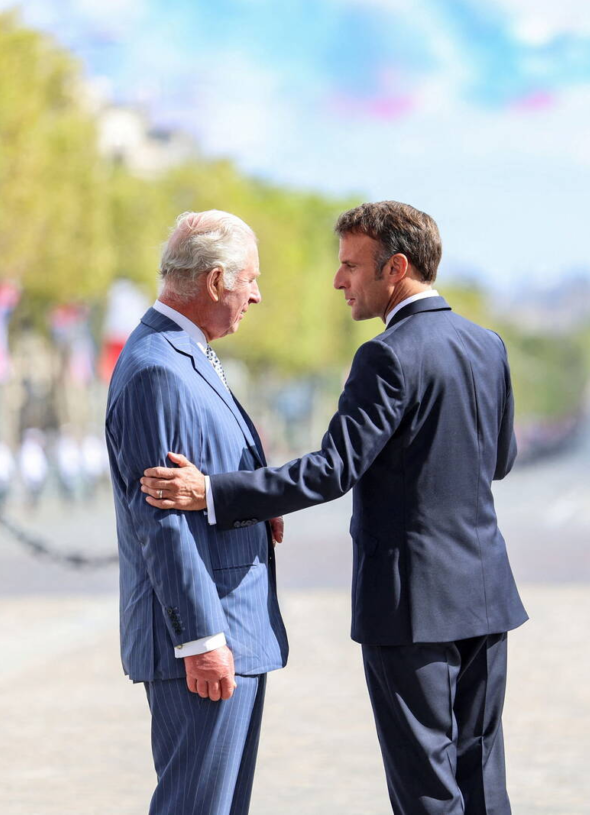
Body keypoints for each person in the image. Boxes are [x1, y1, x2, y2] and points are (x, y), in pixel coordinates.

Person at [142, 201, 527, 815]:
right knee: (483, 776)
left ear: (395, 267)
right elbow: (500, 459)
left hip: (410, 607)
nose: (339, 280)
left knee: (426, 786)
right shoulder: (487, 346)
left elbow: (332, 469)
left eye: (351, 265)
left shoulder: (387, 356)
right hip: (486, 594)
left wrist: (214, 492)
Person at [106, 210, 288, 815]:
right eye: (250, 280)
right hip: (208, 640)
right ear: (215, 281)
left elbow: (200, 475)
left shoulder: (186, 352)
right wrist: (202, 640)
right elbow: (160, 520)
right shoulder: (158, 367)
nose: (256, 295)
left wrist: (250, 502)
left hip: (233, 629)